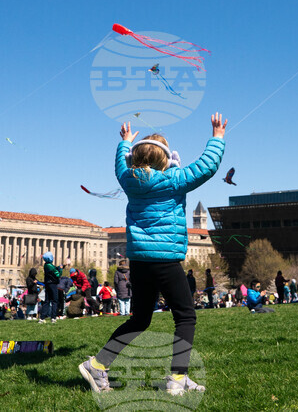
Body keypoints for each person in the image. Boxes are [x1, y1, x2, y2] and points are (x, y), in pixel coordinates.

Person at [79, 113, 225, 396]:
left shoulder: (129, 180)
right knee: (185, 316)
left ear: (135, 158)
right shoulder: (174, 180)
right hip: (165, 258)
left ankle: (97, 365)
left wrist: (125, 142)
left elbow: (120, 165)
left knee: (140, 319)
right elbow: (206, 167)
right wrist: (217, 138)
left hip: (139, 261)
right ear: (166, 160)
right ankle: (178, 378)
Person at [40, 252, 62, 323]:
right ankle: (53, 317)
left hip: (47, 284)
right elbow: (58, 274)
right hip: (53, 284)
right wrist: (60, 269)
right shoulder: (50, 266)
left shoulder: (46, 265)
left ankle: (42, 318)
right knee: (55, 301)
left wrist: (58, 267)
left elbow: (53, 269)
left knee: (47, 301)